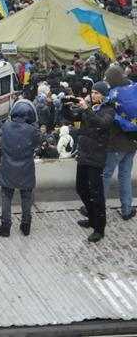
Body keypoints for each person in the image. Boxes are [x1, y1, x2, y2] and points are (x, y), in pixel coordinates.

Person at [64, 81, 116, 242]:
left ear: (104, 95)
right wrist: (65, 105)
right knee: (80, 188)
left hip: (96, 157)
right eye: (92, 92)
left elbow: (100, 123)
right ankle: (92, 217)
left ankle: (99, 228)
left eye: (97, 93)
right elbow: (71, 117)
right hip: (84, 155)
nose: (93, 95)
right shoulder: (90, 109)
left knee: (97, 193)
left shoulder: (109, 110)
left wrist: (86, 109)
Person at [0, 99, 42, 237]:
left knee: (6, 196)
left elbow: (1, 143)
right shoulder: (33, 130)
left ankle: (5, 226)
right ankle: (26, 225)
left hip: (8, 166)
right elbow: (38, 142)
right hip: (26, 168)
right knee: (26, 197)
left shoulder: (6, 126)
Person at [103, 63, 137, 221]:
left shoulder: (113, 95)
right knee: (125, 176)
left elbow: (105, 116)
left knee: (105, 175)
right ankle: (127, 210)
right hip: (133, 141)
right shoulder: (134, 88)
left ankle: (98, 209)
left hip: (116, 142)